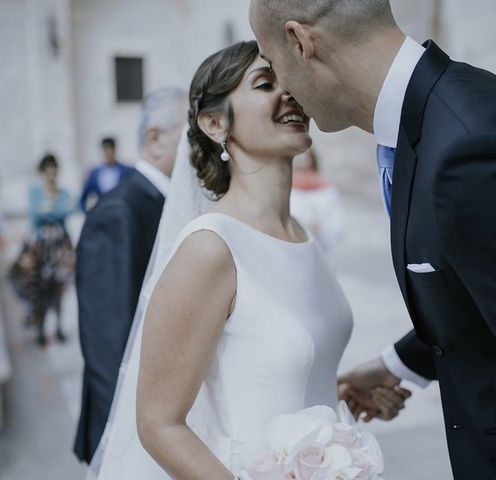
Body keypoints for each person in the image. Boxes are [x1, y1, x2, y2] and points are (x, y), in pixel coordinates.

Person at [250, 1, 496, 478]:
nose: (283, 88)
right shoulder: (431, 119)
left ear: (301, 43)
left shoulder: (470, 151)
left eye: (272, 62)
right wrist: (398, 364)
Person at [87, 41, 409, 480]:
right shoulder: (210, 248)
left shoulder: (301, 234)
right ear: (215, 123)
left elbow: (259, 379)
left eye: (292, 80)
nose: (290, 92)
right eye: (265, 83)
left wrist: (340, 395)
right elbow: (159, 424)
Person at [73, 87, 188, 464]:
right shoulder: (119, 212)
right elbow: (108, 343)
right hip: (127, 435)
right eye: (193, 132)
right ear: (155, 138)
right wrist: (128, 453)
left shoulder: (170, 203)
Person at [24, 154, 76, 347]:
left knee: (59, 287)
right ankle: (41, 328)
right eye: (48, 172)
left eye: (54, 171)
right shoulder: (35, 192)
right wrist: (51, 213)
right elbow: (34, 217)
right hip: (41, 246)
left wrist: (48, 212)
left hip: (59, 246)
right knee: (41, 289)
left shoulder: (63, 193)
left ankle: (59, 327)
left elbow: (66, 213)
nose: (52, 175)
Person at [291, 147, 344, 253]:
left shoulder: (327, 191)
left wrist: (319, 230)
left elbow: (338, 226)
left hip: (320, 251)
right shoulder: (285, 189)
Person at [79, 137, 132, 213]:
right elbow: (83, 198)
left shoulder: (127, 171)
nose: (108, 153)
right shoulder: (94, 173)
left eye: (110, 150)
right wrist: (89, 214)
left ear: (114, 150)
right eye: (105, 150)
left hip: (121, 213)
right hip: (102, 213)